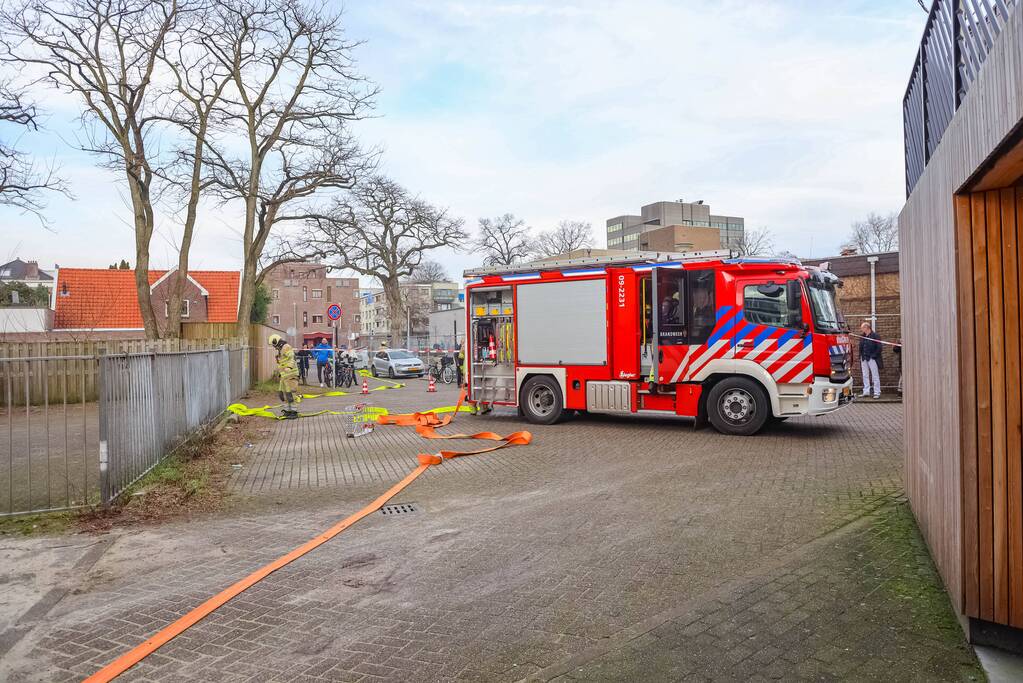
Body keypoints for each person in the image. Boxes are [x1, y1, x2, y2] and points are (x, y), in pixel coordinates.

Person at [268, 334, 299, 419]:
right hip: (285, 376)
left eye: (274, 345)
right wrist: (280, 373)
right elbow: (282, 363)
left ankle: (294, 412)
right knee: (284, 394)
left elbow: (292, 357)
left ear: (276, 341)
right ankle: (288, 411)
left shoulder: (286, 347)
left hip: (291, 375)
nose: (274, 347)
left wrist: (289, 367)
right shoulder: (281, 349)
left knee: (291, 394)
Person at [858, 321, 882, 399]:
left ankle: (877, 392)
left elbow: (879, 347)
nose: (861, 329)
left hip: (872, 358)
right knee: (865, 375)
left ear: (866, 327)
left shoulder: (875, 336)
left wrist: (874, 356)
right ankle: (866, 391)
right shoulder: (862, 336)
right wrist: (861, 356)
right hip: (864, 358)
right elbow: (861, 347)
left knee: (875, 375)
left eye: (862, 328)